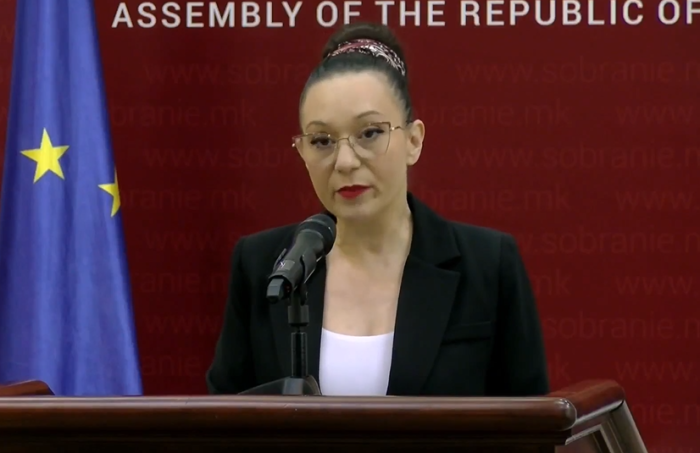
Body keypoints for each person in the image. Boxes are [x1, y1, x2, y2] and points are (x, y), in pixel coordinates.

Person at [206, 22, 549, 397]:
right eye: (321, 141)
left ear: (413, 141)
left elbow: (532, 419)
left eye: (369, 133)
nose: (345, 161)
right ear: (302, 152)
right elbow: (223, 415)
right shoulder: (265, 265)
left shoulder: (487, 266)